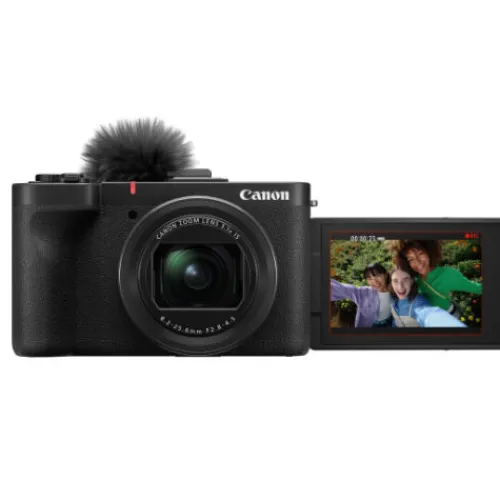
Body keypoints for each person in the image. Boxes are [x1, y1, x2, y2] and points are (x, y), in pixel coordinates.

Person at [388, 240, 482, 317]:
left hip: (449, 317)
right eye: (411, 259)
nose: (417, 262)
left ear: (429, 252)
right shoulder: (414, 279)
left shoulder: (447, 275)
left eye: (420, 254)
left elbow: (478, 288)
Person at [389, 265, 466, 328]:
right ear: (391, 282)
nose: (400, 287)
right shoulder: (394, 301)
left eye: (405, 280)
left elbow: (428, 314)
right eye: (395, 281)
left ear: (412, 281)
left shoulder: (418, 302)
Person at [330, 263, 392, 328]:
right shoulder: (364, 293)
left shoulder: (395, 290)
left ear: (385, 275)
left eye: (378, 276)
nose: (375, 281)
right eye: (369, 278)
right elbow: (344, 289)